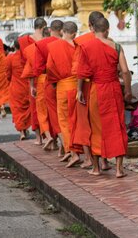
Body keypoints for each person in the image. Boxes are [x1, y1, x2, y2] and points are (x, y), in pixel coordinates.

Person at [76, 17, 131, 178]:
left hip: (96, 90)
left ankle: (96, 168)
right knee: (117, 126)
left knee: (95, 127)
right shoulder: (117, 47)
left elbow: (82, 72)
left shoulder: (86, 46)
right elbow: (125, 71)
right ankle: (119, 170)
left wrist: (79, 90)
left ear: (93, 29)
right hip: (113, 89)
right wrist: (127, 91)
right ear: (107, 30)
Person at [71, 11, 106, 170]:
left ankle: (90, 160)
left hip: (87, 86)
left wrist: (79, 89)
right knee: (103, 123)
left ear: (90, 25)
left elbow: (80, 68)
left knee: (85, 124)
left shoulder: (83, 42)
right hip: (106, 86)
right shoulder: (109, 41)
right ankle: (104, 160)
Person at [46, 21, 80, 167]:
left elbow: (49, 67)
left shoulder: (54, 47)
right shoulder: (78, 47)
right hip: (77, 86)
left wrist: (54, 83)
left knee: (64, 121)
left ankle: (73, 153)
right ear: (75, 33)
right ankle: (80, 152)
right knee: (77, 120)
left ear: (62, 31)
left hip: (62, 86)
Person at [33, 20, 64, 152]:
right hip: (66, 80)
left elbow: (37, 67)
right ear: (62, 30)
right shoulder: (68, 43)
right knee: (64, 113)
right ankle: (65, 144)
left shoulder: (40, 44)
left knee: (50, 112)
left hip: (47, 79)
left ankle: (58, 141)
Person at [21, 19, 49, 146]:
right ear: (44, 27)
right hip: (50, 77)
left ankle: (39, 138)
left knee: (35, 109)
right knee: (50, 109)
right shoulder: (49, 41)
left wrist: (31, 83)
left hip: (35, 77)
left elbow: (25, 61)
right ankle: (51, 138)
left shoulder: (25, 41)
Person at [7, 39, 31, 140]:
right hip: (28, 86)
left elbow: (8, 74)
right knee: (28, 108)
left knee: (17, 109)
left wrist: (10, 81)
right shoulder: (27, 57)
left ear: (14, 47)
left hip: (16, 87)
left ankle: (22, 132)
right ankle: (26, 128)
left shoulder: (10, 58)